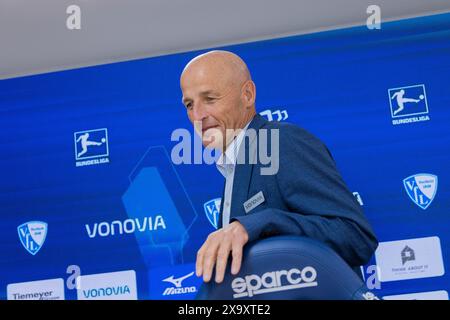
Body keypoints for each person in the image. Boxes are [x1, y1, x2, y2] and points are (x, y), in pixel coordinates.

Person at [180, 50, 378, 284]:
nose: (198, 116)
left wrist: (262, 223)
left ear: (247, 94)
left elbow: (355, 237)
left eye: (210, 99)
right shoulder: (237, 165)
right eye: (189, 104)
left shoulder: (279, 142)